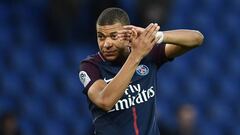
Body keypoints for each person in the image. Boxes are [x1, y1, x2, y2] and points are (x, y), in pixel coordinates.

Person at [79, 7, 204, 135]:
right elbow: (105, 101)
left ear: (127, 34)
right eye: (101, 37)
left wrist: (155, 36)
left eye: (114, 36)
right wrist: (136, 55)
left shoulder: (148, 54)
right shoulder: (90, 66)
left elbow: (197, 39)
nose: (106, 44)